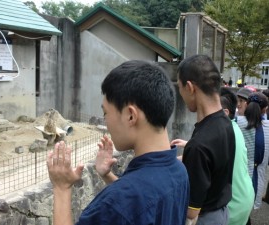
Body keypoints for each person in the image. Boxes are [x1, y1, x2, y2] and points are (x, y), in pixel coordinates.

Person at [46, 60, 190, 225]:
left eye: (106, 113)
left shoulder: (115, 203)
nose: (105, 121)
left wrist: (62, 188)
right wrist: (107, 175)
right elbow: (141, 203)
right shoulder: (180, 173)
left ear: (130, 116)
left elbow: (129, 203)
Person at [172, 54, 235, 225]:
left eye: (180, 87)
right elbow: (213, 165)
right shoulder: (225, 122)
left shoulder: (199, 145)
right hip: (222, 213)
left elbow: (191, 212)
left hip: (205, 219)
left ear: (190, 87)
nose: (180, 94)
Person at [220, 87, 254, 225]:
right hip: (245, 195)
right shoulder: (234, 126)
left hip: (233, 206)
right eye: (238, 100)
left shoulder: (225, 131)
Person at [236, 92, 269, 224]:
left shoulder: (236, 123)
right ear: (265, 109)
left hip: (238, 177)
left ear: (247, 105)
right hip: (257, 178)